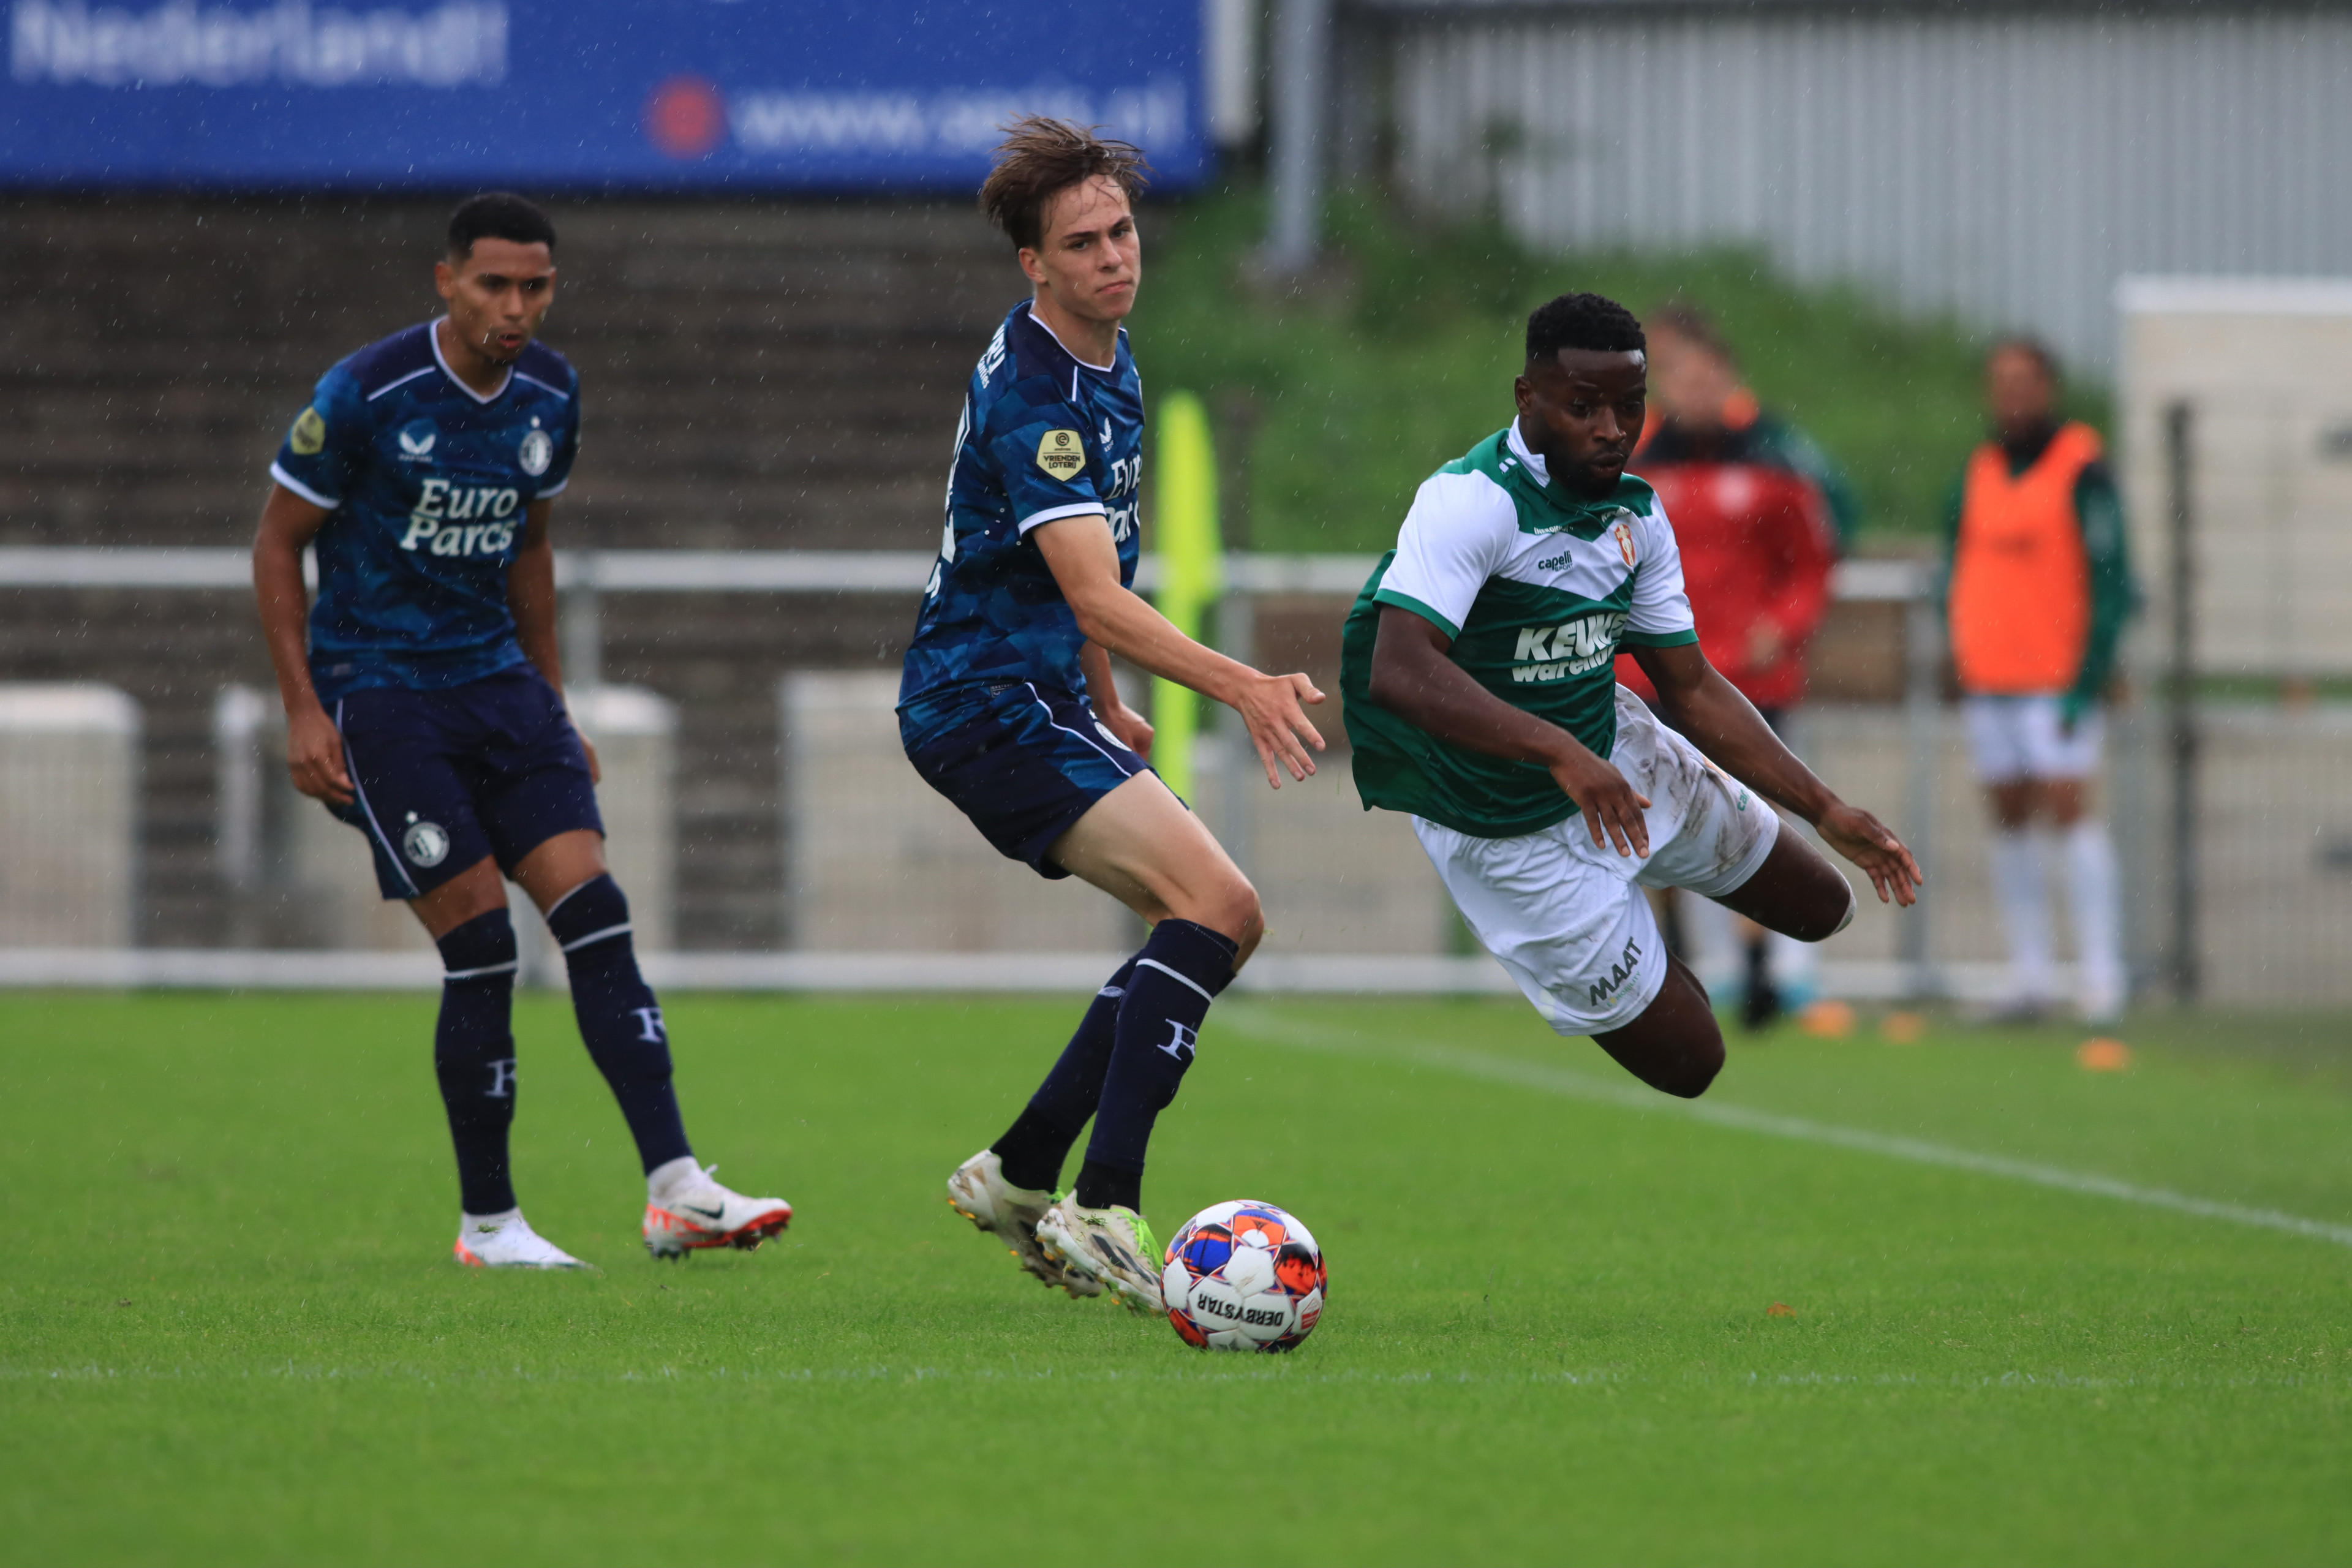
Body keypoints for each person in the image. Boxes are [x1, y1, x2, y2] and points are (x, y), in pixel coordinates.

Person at [252, 192, 791, 1269]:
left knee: (596, 914)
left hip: (501, 691)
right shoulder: (366, 392)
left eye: (534, 285)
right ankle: (490, 1225)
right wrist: (306, 709)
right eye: (494, 284)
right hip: (385, 697)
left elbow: (532, 548)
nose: (515, 306)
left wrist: (553, 701)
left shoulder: (552, 391)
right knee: (484, 947)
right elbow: (277, 547)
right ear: (445, 281)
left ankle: (676, 1186)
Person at [902, 118, 1326, 1314]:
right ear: (1032, 263)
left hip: (1032, 695)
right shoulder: (1034, 388)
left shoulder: (1108, 361)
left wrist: (1101, 696)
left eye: (1123, 231)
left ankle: (1022, 1171)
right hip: (981, 701)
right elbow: (1092, 586)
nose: (1111, 257)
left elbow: (1085, 574)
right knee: (1222, 906)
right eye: (1080, 242)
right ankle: (1107, 1203)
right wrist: (1239, 682)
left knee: (1201, 925)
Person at [1339, 293, 1920, 1094]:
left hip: (1619, 758)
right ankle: (1607, 929)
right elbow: (1398, 669)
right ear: (1527, 398)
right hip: (1502, 826)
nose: (1613, 429)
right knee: (1695, 1064)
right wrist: (1556, 752)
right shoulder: (1473, 502)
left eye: (1630, 406)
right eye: (1584, 407)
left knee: (1825, 906)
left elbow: (1692, 686)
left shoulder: (1637, 512)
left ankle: (1632, 914)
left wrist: (1825, 809)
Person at [1618, 304, 1842, 1027]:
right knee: (1652, 809)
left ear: (1729, 382)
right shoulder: (1641, 470)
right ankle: (1674, 945)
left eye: (1708, 377)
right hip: (1656, 673)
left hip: (1743, 677)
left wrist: (1783, 625)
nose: (1696, 391)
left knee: (1753, 814)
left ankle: (1755, 965)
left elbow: (1808, 564)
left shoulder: (1773, 468)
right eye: (1682, 379)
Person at [1942, 339, 2134, 1023]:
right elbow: (1955, 559)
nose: (2011, 395)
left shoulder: (2082, 467)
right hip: (1990, 675)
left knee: (2069, 808)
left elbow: (2114, 578)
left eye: (2024, 381)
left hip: (2056, 677)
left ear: (2049, 386)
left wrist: (2092, 673)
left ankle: (2102, 976)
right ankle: (2030, 974)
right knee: (2009, 815)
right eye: (2000, 382)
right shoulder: (1982, 466)